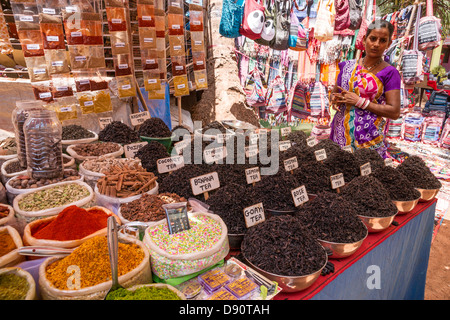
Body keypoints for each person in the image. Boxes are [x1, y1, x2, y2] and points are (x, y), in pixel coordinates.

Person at [330, 19, 401, 158]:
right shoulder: (347, 66)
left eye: (382, 40)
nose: (376, 44)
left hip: (369, 140)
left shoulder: (390, 73)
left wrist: (360, 102)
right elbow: (335, 92)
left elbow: (394, 112)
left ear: (389, 44)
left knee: (366, 177)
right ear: (364, 40)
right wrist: (334, 99)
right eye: (373, 38)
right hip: (339, 134)